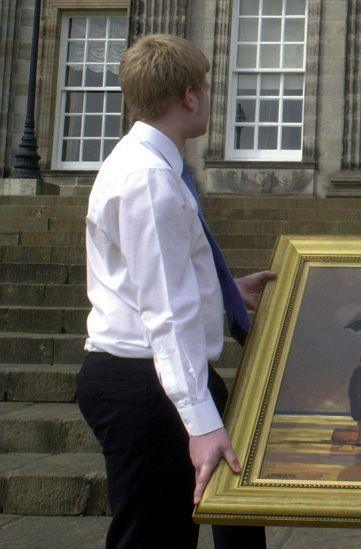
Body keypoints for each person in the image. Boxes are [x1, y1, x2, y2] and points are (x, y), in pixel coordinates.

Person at [76, 35, 274, 549]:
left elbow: (161, 272)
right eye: (205, 87)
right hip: (145, 385)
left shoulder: (150, 163)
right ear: (189, 95)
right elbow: (166, 312)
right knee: (153, 540)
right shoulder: (148, 178)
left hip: (157, 379)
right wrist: (202, 422)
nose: (208, 97)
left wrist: (227, 289)